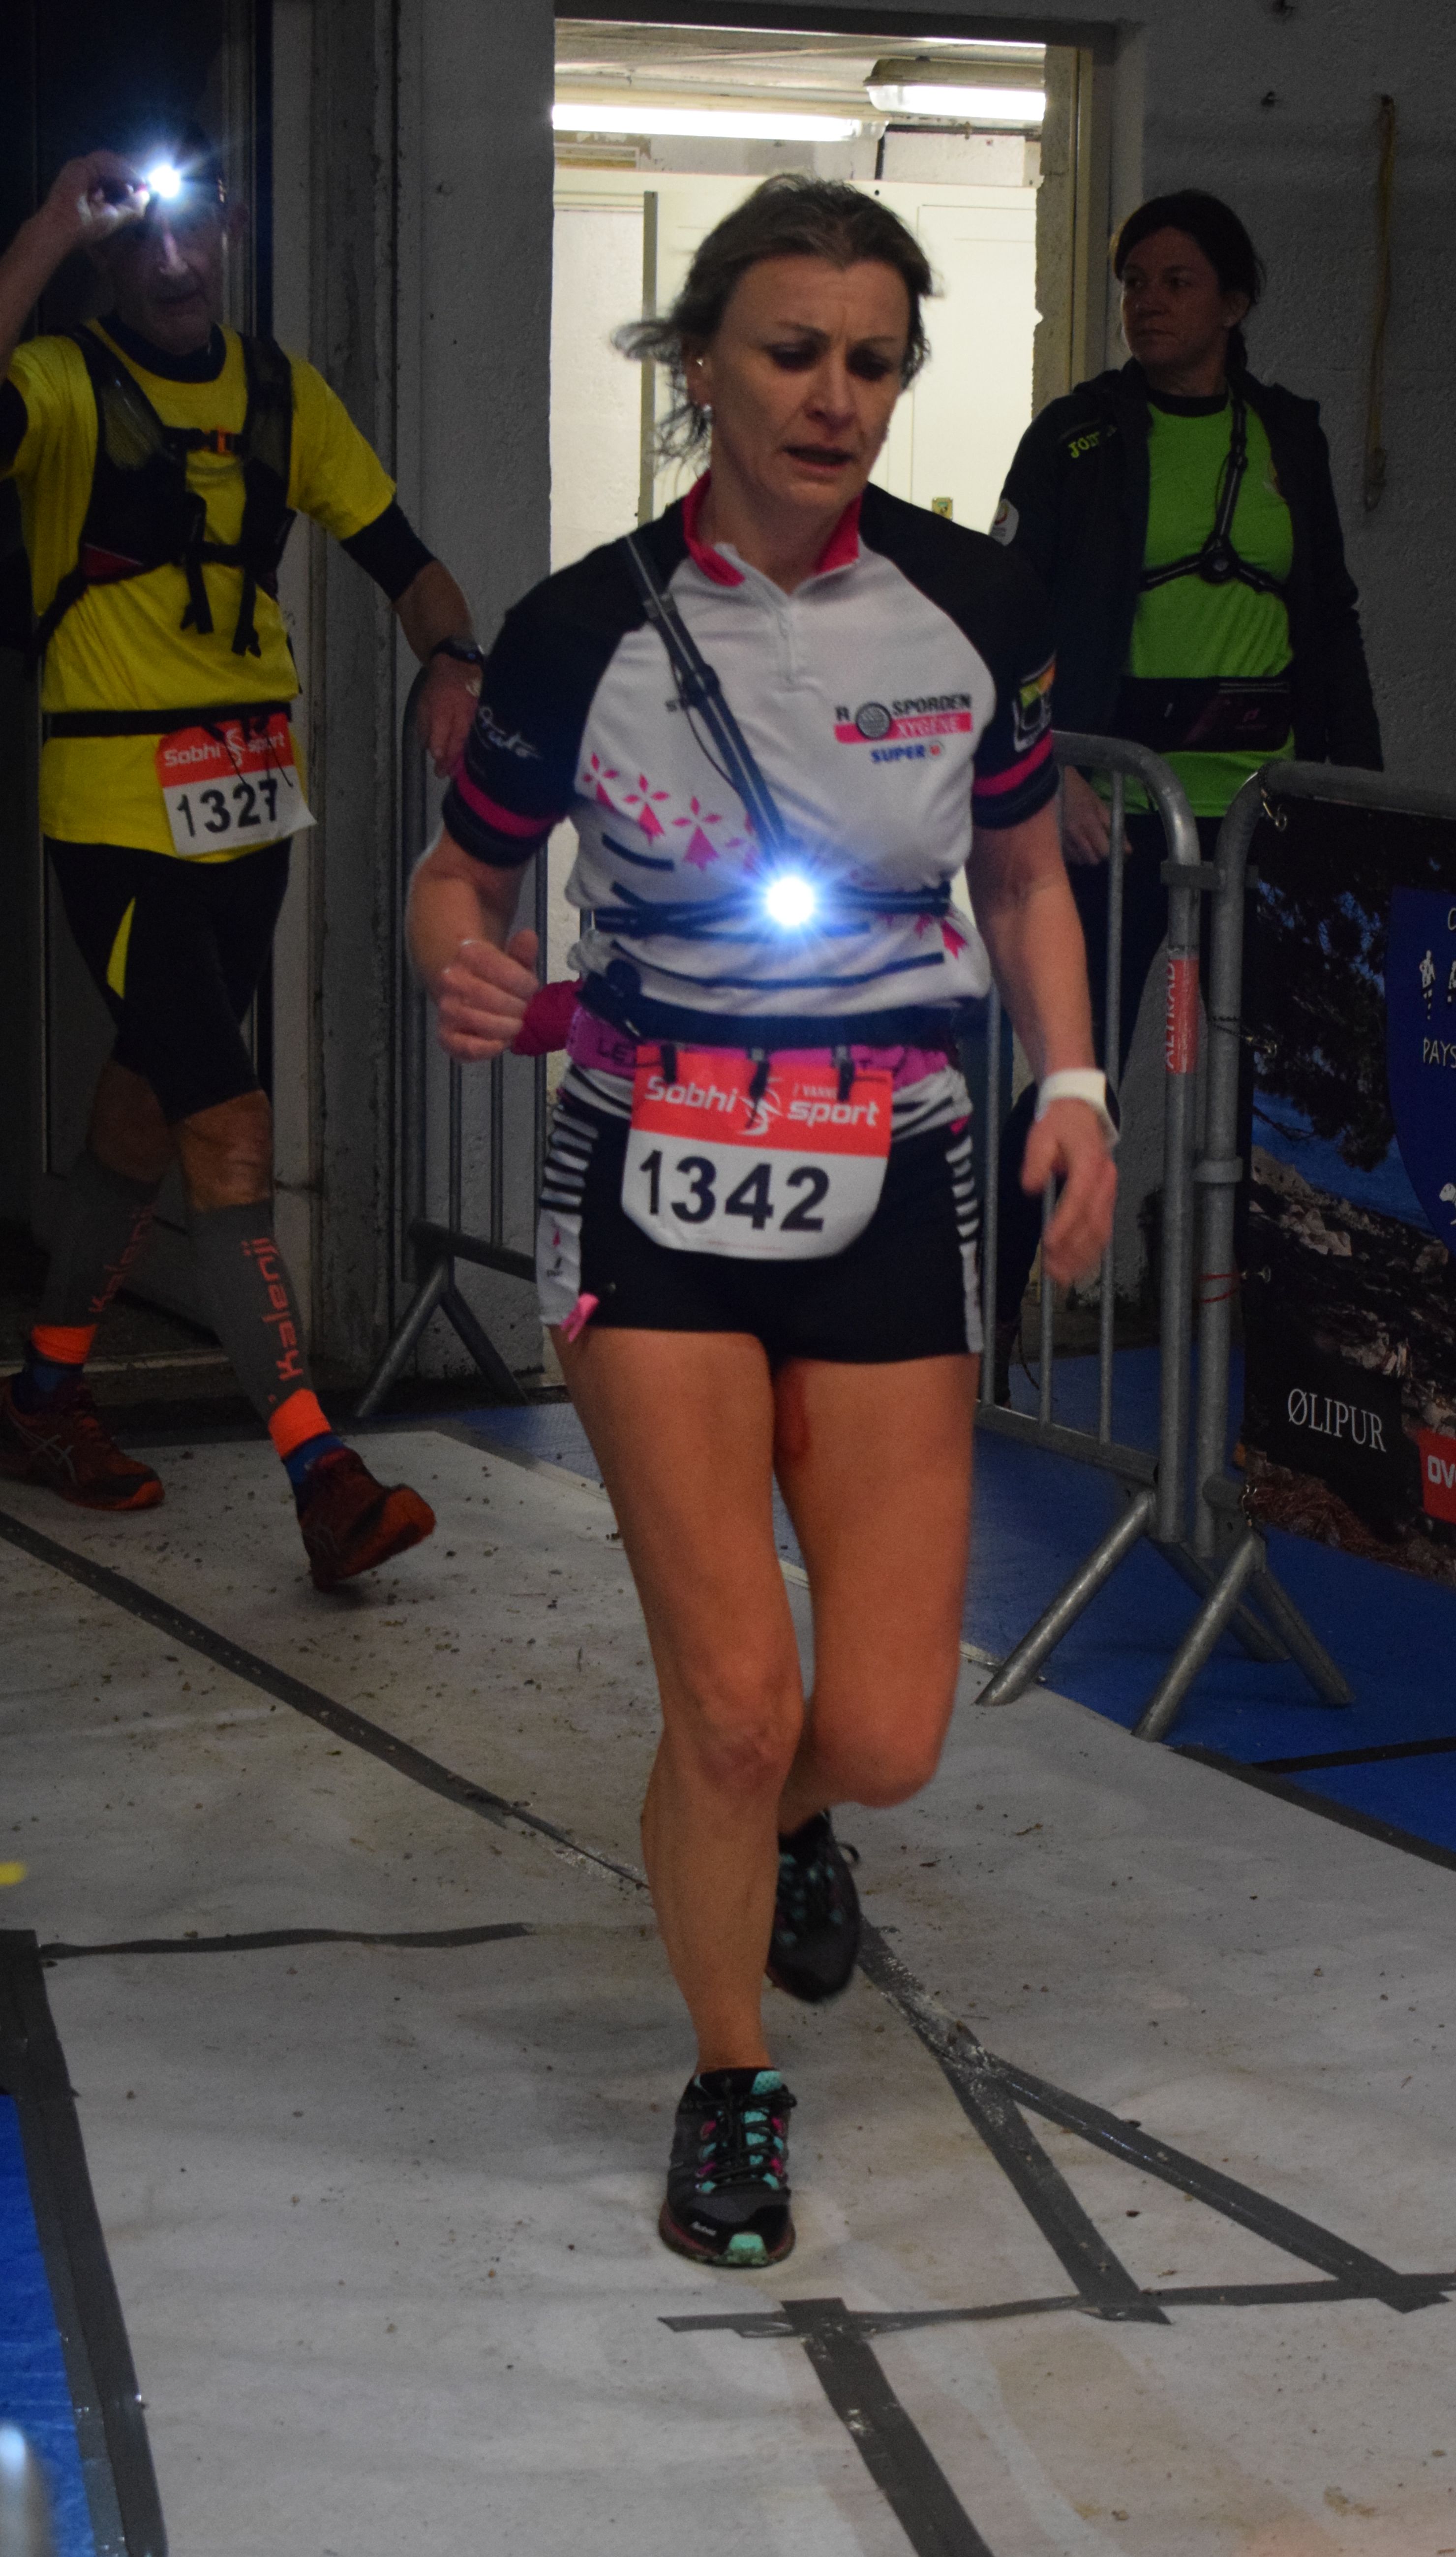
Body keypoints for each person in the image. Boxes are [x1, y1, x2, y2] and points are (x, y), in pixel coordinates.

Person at [407, 177, 1115, 2267]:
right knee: (730, 1696)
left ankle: (798, 1826)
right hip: (655, 1175)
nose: (835, 397)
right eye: (793, 353)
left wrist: (1075, 1089)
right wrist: (464, 962)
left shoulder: (976, 608)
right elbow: (461, 877)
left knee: (875, 1730)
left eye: (874, 361)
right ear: (700, 363)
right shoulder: (579, 630)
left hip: (898, 1173)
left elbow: (1023, 876)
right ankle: (731, 2078)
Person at [0, 134, 482, 1587]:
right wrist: (44, 227)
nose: (172, 259)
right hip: (116, 818)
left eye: (194, 228)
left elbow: (405, 558)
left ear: (231, 233)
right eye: (137, 235)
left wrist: (452, 655)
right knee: (230, 1125)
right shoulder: (63, 382)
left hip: (251, 814)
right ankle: (319, 1470)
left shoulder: (282, 393)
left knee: (147, 1108)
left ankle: (43, 1396)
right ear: (105, 255)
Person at [988, 187, 1382, 1356]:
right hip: (1112, 814)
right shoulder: (1077, 437)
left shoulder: (1287, 438)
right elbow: (1003, 612)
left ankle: (1278, 1350)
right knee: (1077, 1075)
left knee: (1277, 1090)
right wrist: (1046, 765)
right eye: (1133, 283)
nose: (1145, 303)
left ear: (1233, 302)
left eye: (1175, 282)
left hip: (1258, 823)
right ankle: (977, 1323)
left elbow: (1329, 620)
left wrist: (1356, 796)